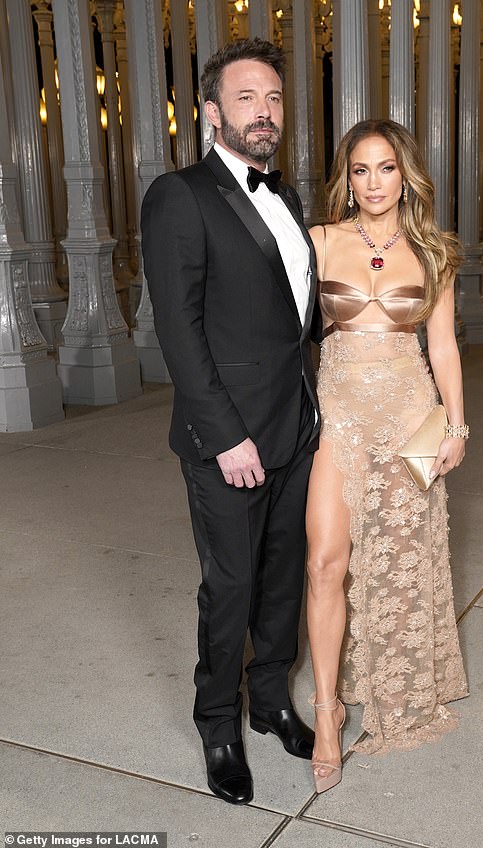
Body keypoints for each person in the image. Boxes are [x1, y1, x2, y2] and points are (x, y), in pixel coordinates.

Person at [141, 38, 320, 806]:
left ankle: (272, 698)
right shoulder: (178, 196)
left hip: (296, 427)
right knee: (232, 585)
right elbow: (178, 331)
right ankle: (218, 721)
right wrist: (224, 436)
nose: (264, 112)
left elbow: (294, 322)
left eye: (274, 99)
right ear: (212, 111)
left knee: (283, 578)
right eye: (247, 98)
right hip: (229, 440)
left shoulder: (288, 197)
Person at [306, 119, 469, 793]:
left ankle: (398, 685)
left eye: (388, 169)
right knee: (324, 561)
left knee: (405, 558)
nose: (375, 183)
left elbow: (444, 347)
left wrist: (457, 426)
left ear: (407, 175)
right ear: (348, 176)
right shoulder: (317, 242)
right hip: (338, 414)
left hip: (413, 416)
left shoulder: (435, 252)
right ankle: (326, 708)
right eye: (362, 169)